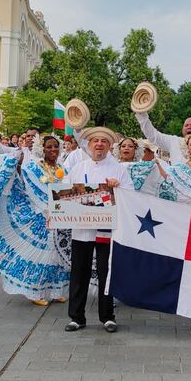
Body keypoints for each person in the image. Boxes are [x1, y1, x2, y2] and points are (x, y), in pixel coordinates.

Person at [0, 134, 71, 305]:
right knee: (44, 255)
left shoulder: (63, 167)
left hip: (61, 216)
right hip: (42, 216)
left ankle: (55, 290)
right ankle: (36, 292)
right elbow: (26, 186)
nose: (53, 150)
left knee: (58, 254)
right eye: (49, 147)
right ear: (42, 149)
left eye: (56, 146)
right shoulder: (34, 168)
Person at [63, 127, 131, 333]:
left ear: (110, 146)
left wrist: (118, 187)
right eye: (95, 141)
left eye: (103, 141)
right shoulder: (78, 167)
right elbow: (64, 195)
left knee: (106, 273)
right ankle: (77, 317)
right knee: (78, 273)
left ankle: (107, 316)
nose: (99, 144)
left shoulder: (119, 169)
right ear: (89, 145)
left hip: (106, 231)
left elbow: (130, 195)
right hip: (81, 230)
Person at [138, 110, 191, 175]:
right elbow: (153, 136)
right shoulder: (174, 141)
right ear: (182, 129)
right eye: (186, 125)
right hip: (180, 192)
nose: (189, 127)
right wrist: (142, 115)